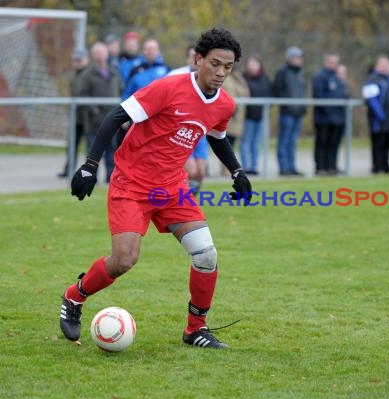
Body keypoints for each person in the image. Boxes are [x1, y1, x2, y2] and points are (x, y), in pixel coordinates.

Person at [59, 28, 252, 349]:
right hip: (132, 184)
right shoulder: (168, 88)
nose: (220, 73)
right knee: (123, 260)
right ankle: (73, 297)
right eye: (214, 64)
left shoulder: (224, 104)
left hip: (172, 189)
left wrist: (237, 171)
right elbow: (115, 117)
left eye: (228, 67)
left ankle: (195, 329)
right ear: (198, 59)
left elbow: (217, 138)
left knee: (206, 255)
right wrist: (90, 165)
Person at [168, 45, 209, 194]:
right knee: (190, 170)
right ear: (187, 58)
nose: (196, 60)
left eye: (199, 57)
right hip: (181, 131)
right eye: (193, 56)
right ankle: (181, 200)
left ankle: (190, 199)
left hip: (200, 131)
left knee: (201, 172)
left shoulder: (208, 78)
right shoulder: (175, 75)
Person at [79, 41, 122, 183]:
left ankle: (111, 179)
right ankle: (91, 179)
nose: (99, 56)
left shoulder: (114, 72)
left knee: (112, 153)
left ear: (107, 54)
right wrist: (94, 110)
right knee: (93, 153)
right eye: (96, 53)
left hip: (112, 122)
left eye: (102, 52)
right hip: (94, 123)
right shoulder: (87, 74)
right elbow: (82, 95)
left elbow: (121, 90)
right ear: (92, 55)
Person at [361, 54, 389, 174]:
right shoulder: (372, 80)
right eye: (382, 65)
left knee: (388, 143)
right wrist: (380, 115)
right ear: (377, 66)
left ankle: (386, 165)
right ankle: (377, 166)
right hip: (378, 119)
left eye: (387, 65)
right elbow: (371, 99)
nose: (385, 68)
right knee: (378, 143)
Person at [272, 46, 307, 176]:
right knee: (284, 140)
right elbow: (277, 90)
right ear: (290, 58)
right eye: (297, 58)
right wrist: (286, 105)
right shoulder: (282, 72)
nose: (299, 60)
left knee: (293, 141)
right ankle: (283, 167)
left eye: (300, 58)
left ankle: (292, 167)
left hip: (299, 113)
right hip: (287, 113)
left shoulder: (301, 73)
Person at [312, 52, 347, 175]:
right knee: (322, 143)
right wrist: (329, 112)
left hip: (337, 119)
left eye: (335, 62)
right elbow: (319, 96)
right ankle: (320, 167)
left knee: (334, 144)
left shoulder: (338, 78)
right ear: (325, 62)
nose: (333, 64)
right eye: (330, 62)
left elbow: (344, 95)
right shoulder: (320, 76)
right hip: (324, 118)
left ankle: (332, 166)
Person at [58, 49, 90, 178]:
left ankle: (88, 172)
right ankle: (69, 169)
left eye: (80, 60)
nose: (77, 62)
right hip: (76, 115)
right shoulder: (73, 74)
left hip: (88, 116)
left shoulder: (90, 74)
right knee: (72, 143)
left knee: (90, 145)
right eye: (75, 60)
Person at [240, 55, 272, 175]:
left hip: (261, 116)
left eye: (255, 63)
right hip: (247, 116)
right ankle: (246, 167)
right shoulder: (243, 79)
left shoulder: (264, 79)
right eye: (250, 63)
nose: (253, 66)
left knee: (256, 142)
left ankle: (254, 166)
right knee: (246, 141)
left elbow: (270, 93)